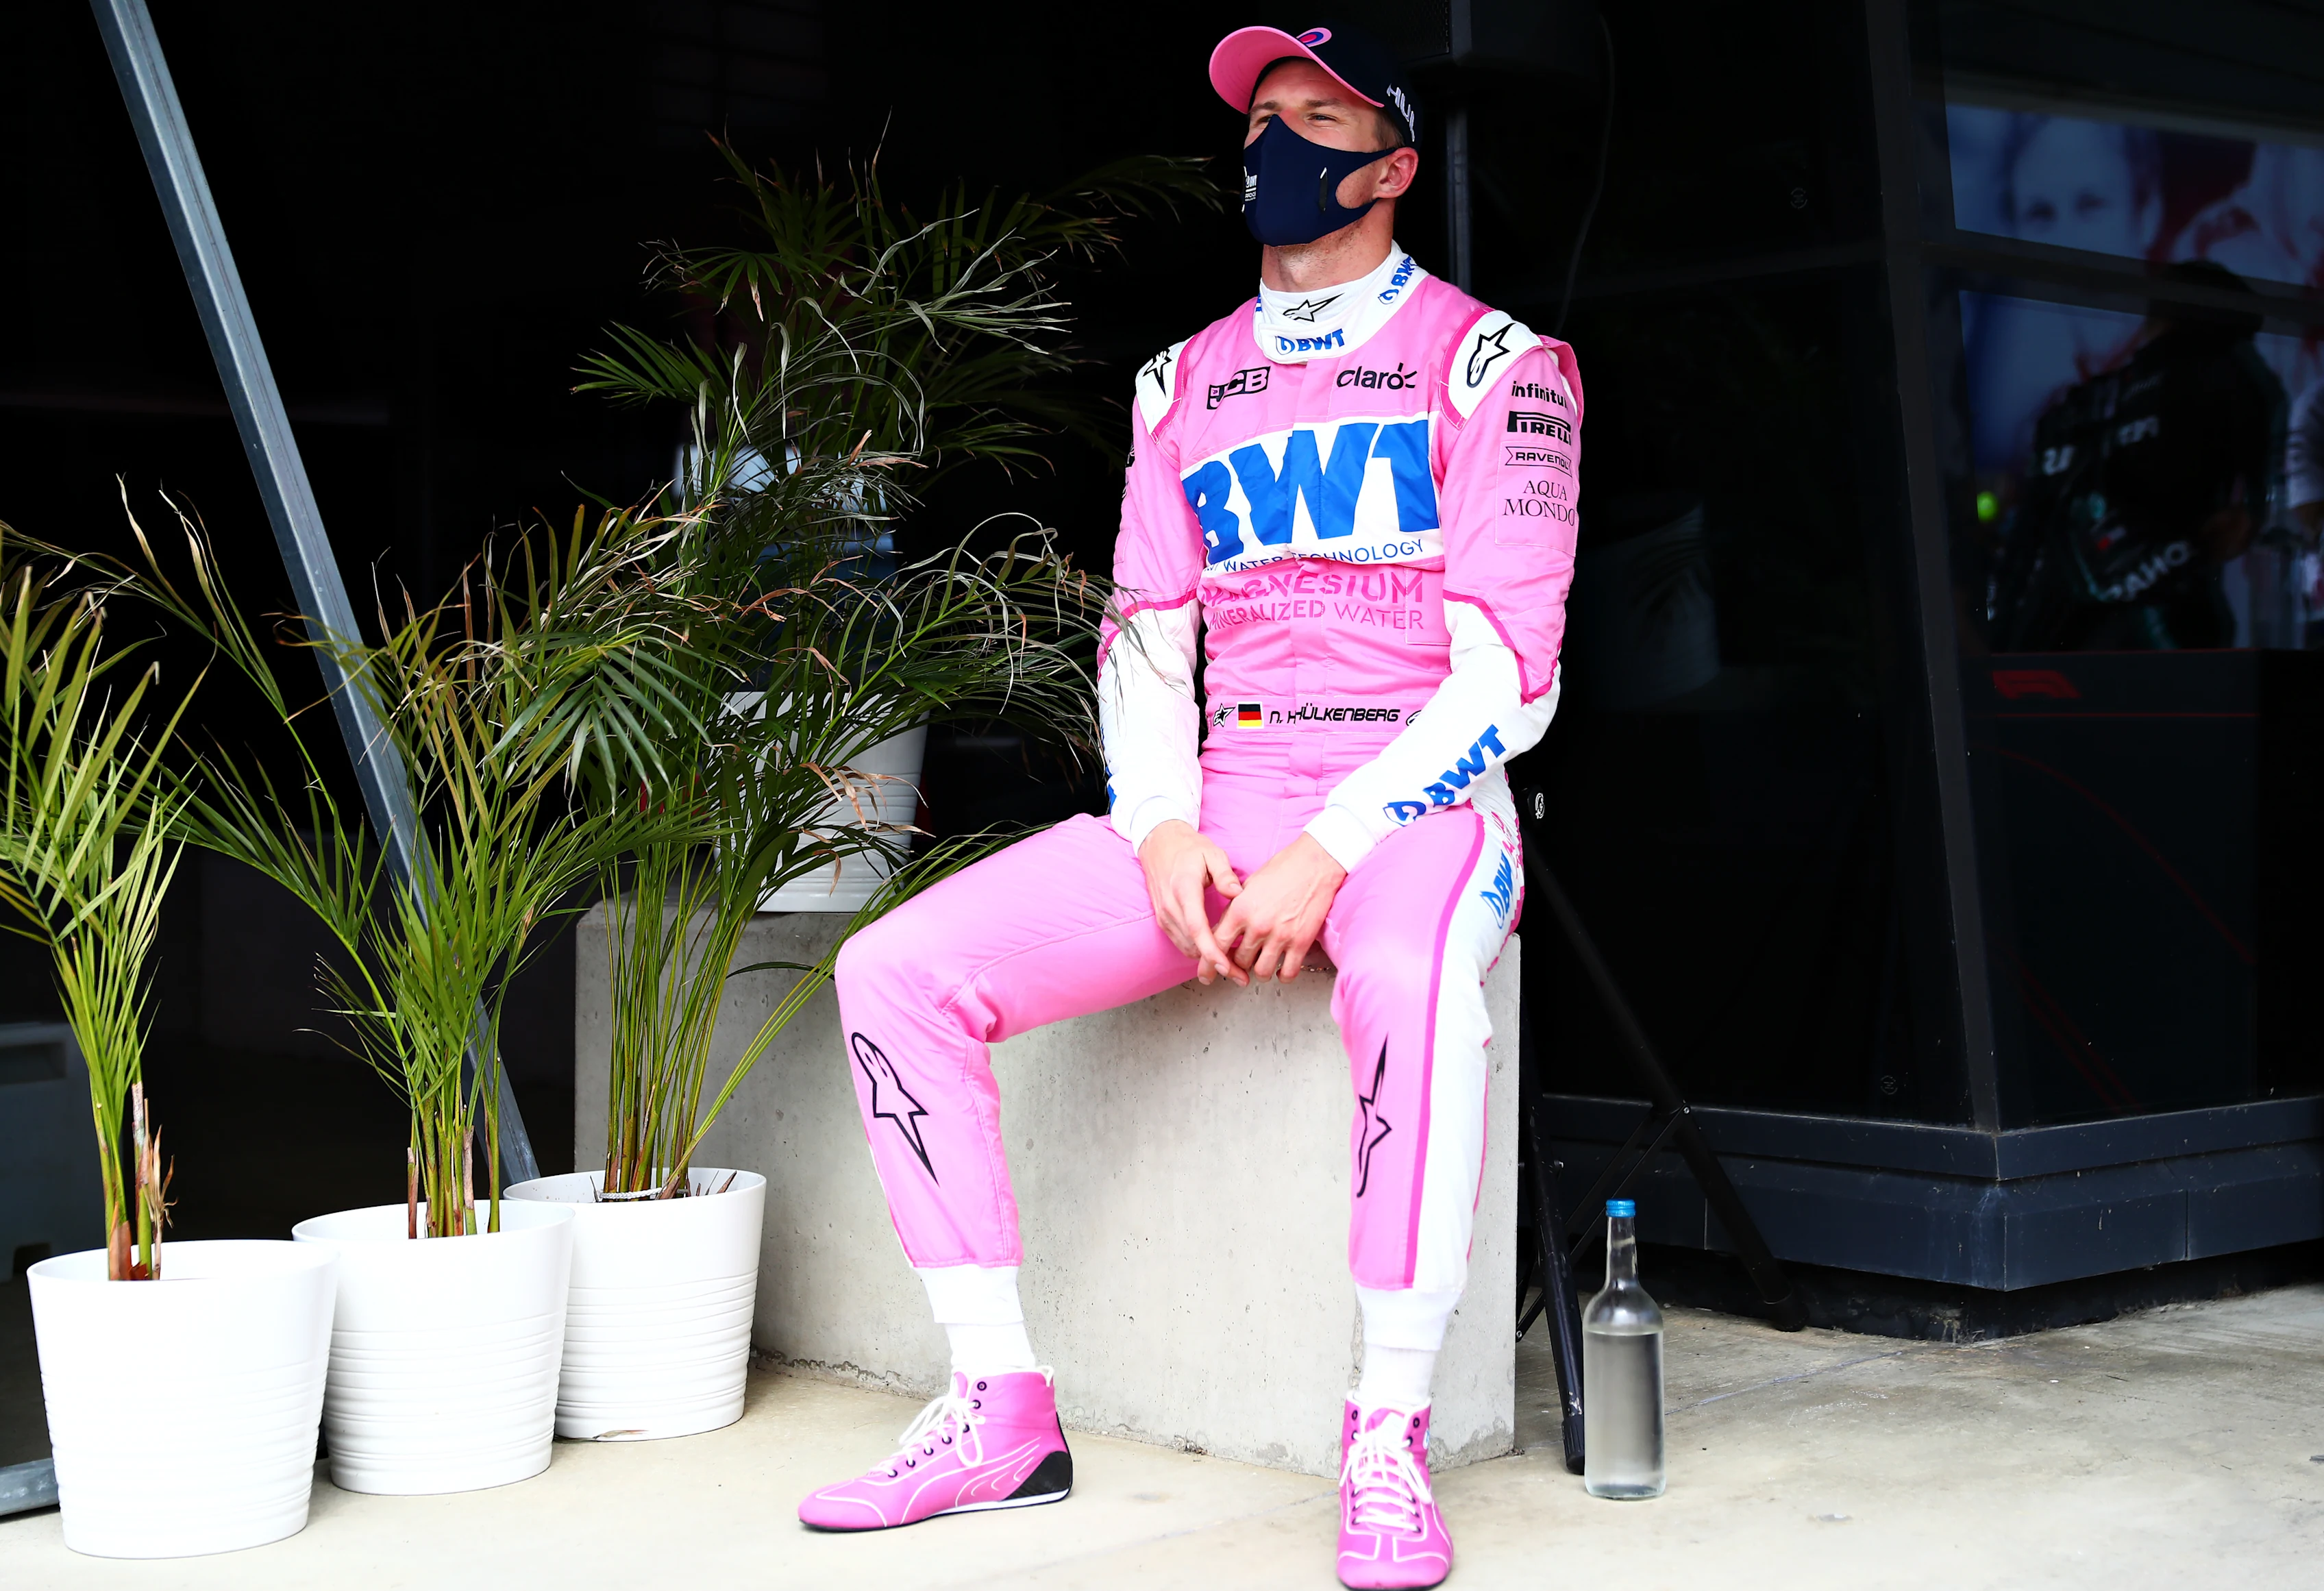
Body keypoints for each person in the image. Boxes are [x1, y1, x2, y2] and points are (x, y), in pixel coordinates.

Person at [796, 23, 1581, 1589]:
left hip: (1413, 802)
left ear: (1394, 164)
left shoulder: (1497, 363)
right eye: (1258, 125)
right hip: (1216, 795)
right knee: (886, 969)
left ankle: (1386, 1426)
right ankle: (996, 1402)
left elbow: (1511, 677)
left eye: (1313, 119)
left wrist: (1328, 848)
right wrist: (1159, 826)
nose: (1273, 149)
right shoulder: (1182, 381)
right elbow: (1147, 639)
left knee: (1415, 983)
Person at [1990, 260, 2284, 651]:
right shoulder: (2228, 378)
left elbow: (2021, 545)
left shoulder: (2074, 408)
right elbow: (2238, 521)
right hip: (2164, 641)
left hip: (2050, 647)